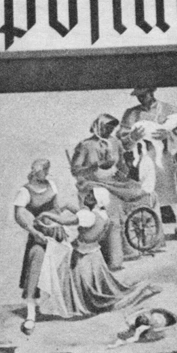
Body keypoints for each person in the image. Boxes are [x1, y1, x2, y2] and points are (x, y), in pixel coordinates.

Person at [37, 190, 157, 319]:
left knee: (78, 286)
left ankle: (75, 305)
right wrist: (67, 206)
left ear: (96, 201)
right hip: (94, 255)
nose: (87, 196)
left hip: (83, 257)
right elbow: (80, 214)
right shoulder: (101, 215)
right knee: (95, 285)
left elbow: (65, 221)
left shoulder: (88, 216)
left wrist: (45, 214)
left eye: (90, 195)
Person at [70, 113, 153, 270]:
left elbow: (121, 165)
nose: (110, 131)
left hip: (112, 182)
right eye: (107, 127)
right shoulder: (86, 145)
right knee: (110, 217)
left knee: (132, 196)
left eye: (112, 128)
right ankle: (114, 260)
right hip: (92, 185)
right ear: (99, 126)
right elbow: (75, 170)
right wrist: (94, 166)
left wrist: (125, 174)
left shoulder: (115, 142)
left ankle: (125, 251)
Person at [119, 87, 177, 242]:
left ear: (151, 92)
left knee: (173, 191)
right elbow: (123, 138)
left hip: (163, 157)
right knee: (145, 192)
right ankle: (149, 229)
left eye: (144, 95)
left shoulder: (168, 109)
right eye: (138, 96)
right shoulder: (131, 114)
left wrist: (167, 134)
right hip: (142, 157)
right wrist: (133, 137)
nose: (141, 99)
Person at [14, 158, 68, 334]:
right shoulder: (25, 191)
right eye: (43, 170)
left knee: (64, 265)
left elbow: (56, 207)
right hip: (40, 235)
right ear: (36, 172)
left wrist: (61, 223)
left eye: (46, 169)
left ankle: (61, 306)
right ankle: (31, 315)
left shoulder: (51, 185)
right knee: (35, 268)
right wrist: (34, 232)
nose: (45, 173)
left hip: (56, 232)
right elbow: (19, 215)